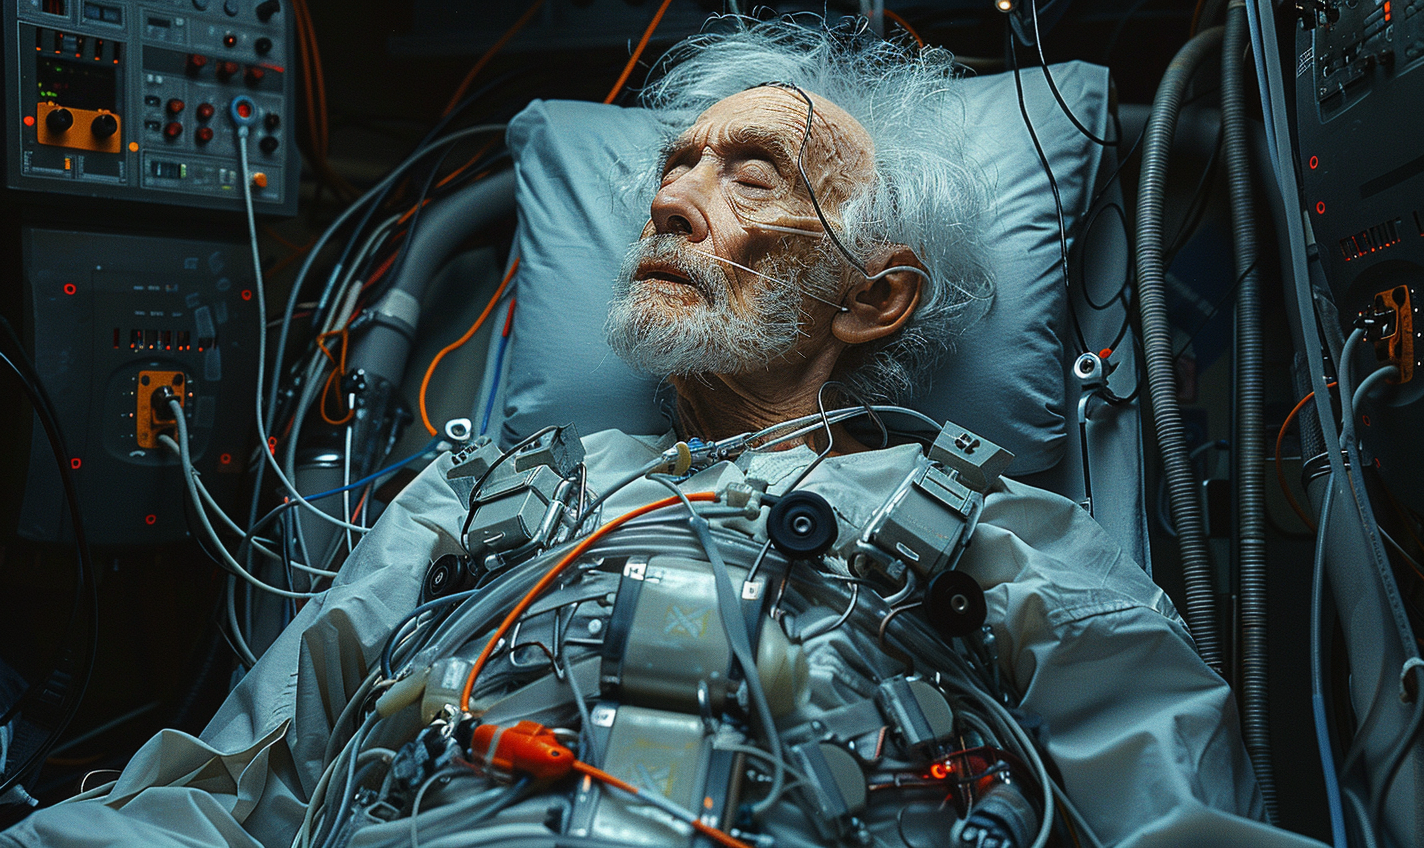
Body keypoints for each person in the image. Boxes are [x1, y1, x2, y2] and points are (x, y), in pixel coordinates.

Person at [1, 19, 1320, 848]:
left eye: (749, 176)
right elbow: (233, 790)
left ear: (875, 296)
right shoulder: (469, 510)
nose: (675, 202)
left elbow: (1179, 810)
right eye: (671, 168)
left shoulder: (993, 526)